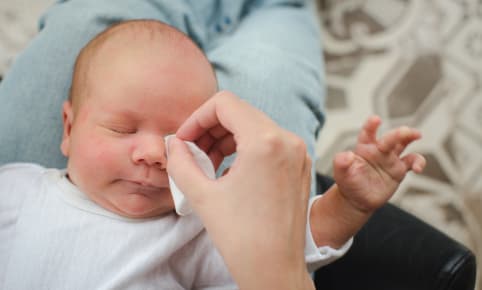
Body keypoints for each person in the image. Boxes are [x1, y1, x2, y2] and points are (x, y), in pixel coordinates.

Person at [0, 19, 344, 289]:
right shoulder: (19, 191)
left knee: (278, 48)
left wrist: (345, 206)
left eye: (178, 139)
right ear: (69, 129)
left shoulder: (192, 231)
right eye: (122, 129)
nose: (153, 154)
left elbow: (282, 244)